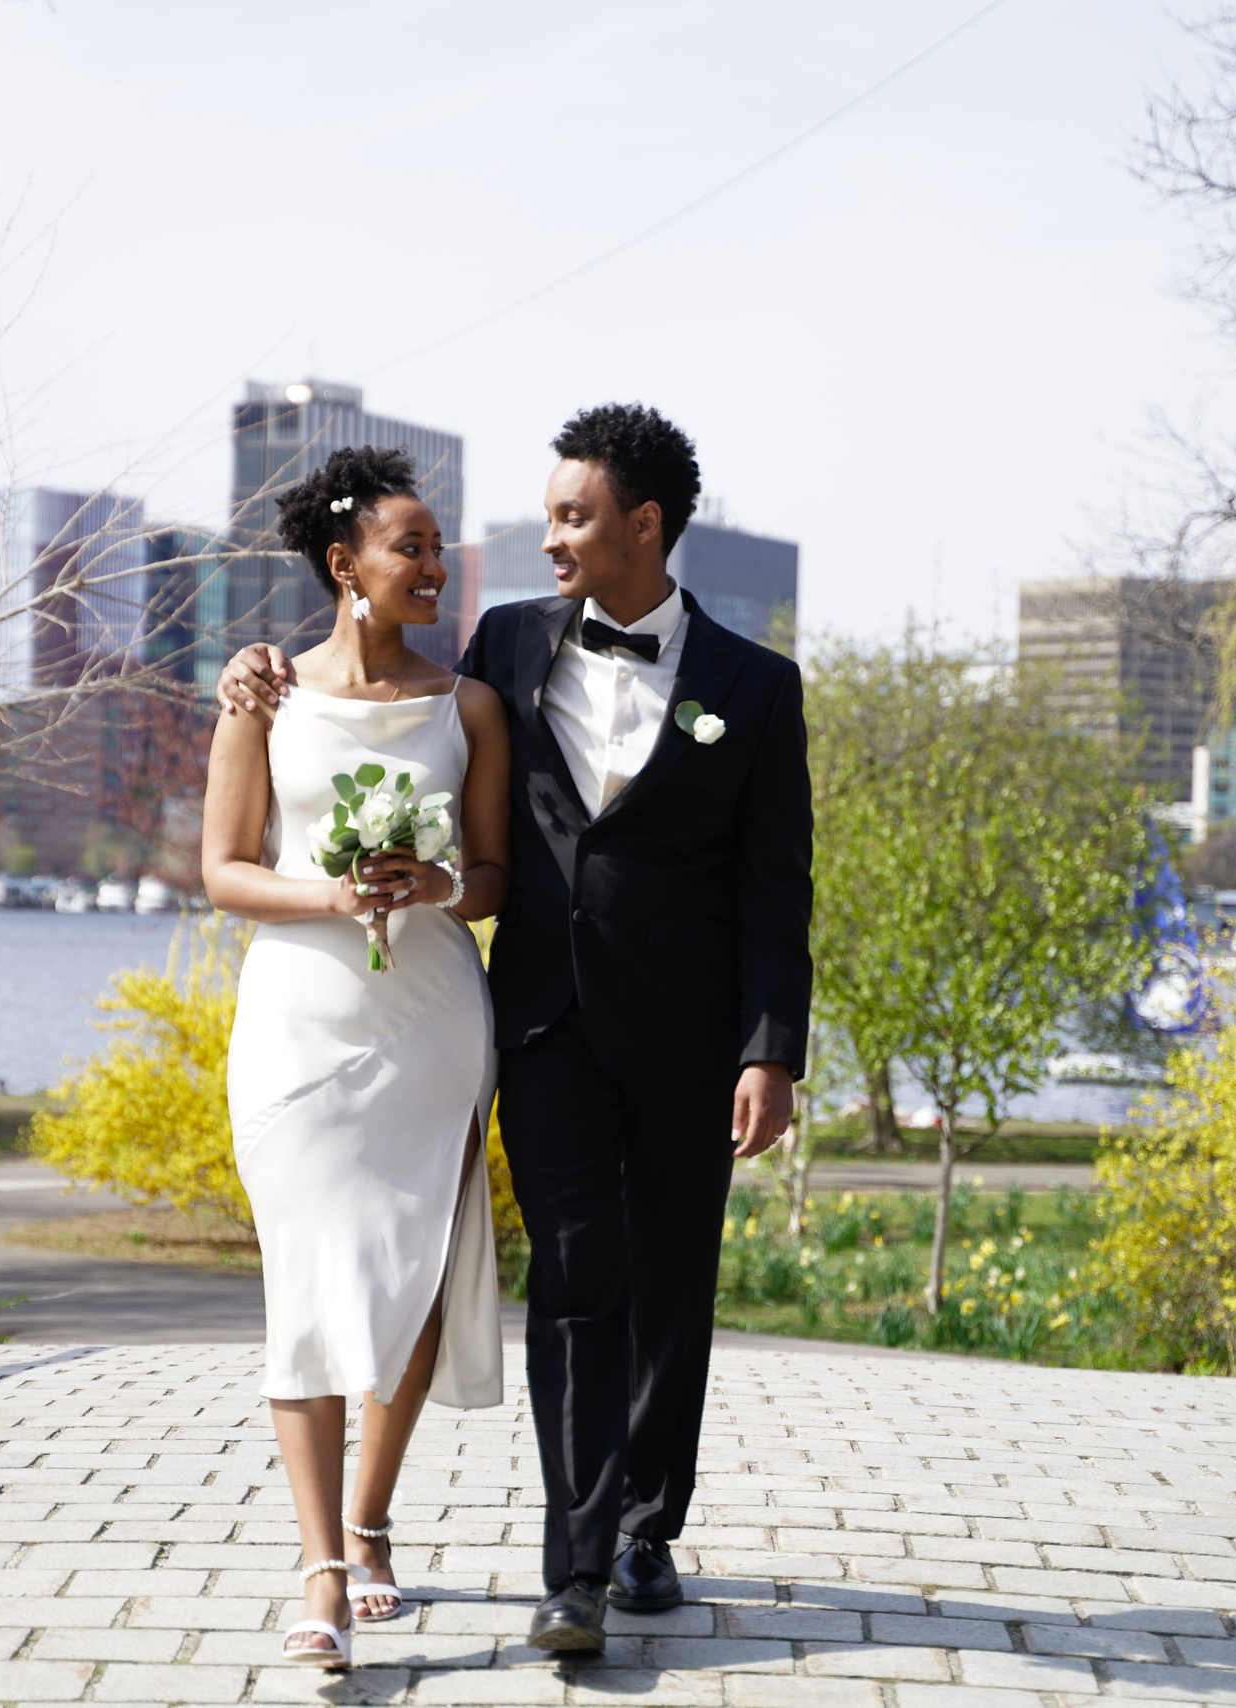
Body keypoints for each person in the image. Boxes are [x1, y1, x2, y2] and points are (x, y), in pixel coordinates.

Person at [220, 404, 811, 1653]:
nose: (545, 539)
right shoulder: (505, 643)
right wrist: (252, 668)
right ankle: (575, 1568)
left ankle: (651, 1522)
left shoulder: (756, 687)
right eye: (547, 514)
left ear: (641, 526)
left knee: (670, 1289)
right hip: (542, 1024)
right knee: (578, 1283)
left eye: (570, 517)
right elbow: (373, 704)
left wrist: (773, 1049)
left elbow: (776, 887)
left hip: (689, 1037)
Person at [203, 445, 513, 1670]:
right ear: (346, 566)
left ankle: (373, 1521)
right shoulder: (260, 696)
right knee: (308, 1285)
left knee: (415, 1273)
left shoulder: (467, 704)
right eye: (412, 548)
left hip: (431, 1017)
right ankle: (322, 1563)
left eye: (439, 550)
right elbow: (224, 869)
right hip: (297, 1026)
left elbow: (493, 878)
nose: (435, 567)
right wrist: (330, 898)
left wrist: (441, 881)